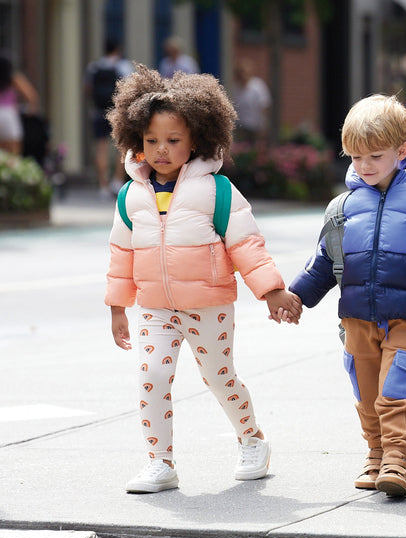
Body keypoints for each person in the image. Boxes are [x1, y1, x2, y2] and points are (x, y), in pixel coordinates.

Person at [105, 64, 302, 494]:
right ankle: (160, 462)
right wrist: (118, 306)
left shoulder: (218, 191)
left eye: (173, 140)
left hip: (208, 306)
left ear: (196, 139)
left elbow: (247, 244)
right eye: (152, 140)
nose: (161, 149)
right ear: (135, 137)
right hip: (156, 308)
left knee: (219, 377)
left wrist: (271, 291)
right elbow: (122, 254)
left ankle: (252, 439)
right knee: (151, 376)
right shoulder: (131, 195)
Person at [288, 94, 406, 498]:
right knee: (366, 391)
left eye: (375, 155)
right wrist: (297, 297)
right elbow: (325, 259)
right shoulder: (345, 207)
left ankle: (396, 460)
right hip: (357, 318)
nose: (364, 165)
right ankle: (374, 454)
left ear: (402, 150)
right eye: (356, 158)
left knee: (395, 389)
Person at [84, 40, 134, 198]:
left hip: (99, 112)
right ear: (118, 49)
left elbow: (87, 89)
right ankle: (117, 181)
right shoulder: (123, 66)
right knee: (122, 146)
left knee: (101, 148)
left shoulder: (94, 67)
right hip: (117, 112)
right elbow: (130, 87)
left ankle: (102, 186)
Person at [0, 54, 39, 155]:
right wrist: (30, 110)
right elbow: (31, 95)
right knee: (13, 153)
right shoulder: (13, 78)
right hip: (9, 115)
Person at [232, 58, 271, 144]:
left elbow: (264, 107)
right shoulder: (235, 88)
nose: (243, 75)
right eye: (241, 72)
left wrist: (263, 125)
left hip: (254, 127)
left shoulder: (258, 86)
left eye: (245, 72)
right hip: (239, 126)